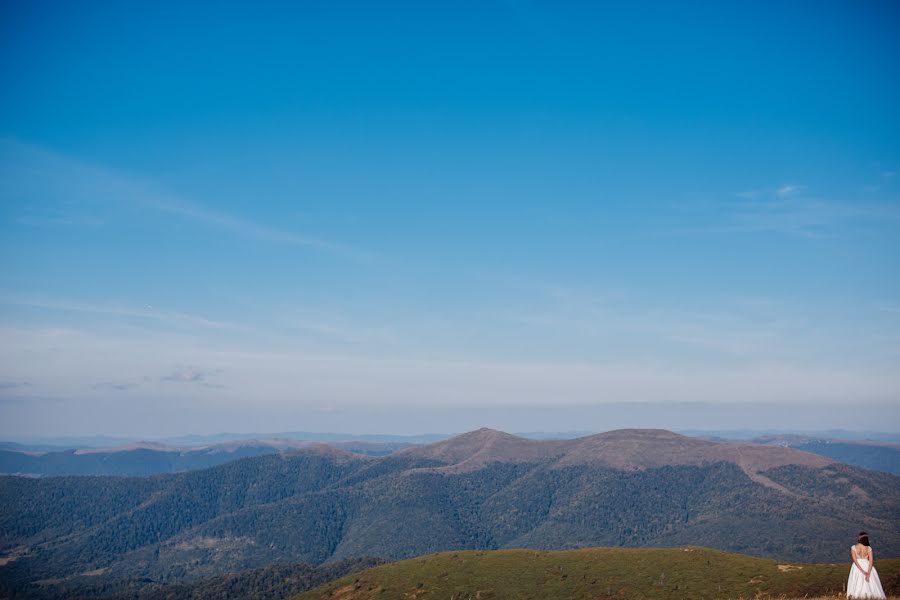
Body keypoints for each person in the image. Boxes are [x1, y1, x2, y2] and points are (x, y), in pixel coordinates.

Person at [848, 531, 886, 599]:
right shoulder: (869, 548)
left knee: (857, 582)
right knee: (871, 583)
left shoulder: (854, 547)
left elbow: (855, 561)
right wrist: (868, 572)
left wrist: (862, 571)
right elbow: (871, 561)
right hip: (867, 565)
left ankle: (857, 597)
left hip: (857, 567)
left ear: (859, 538)